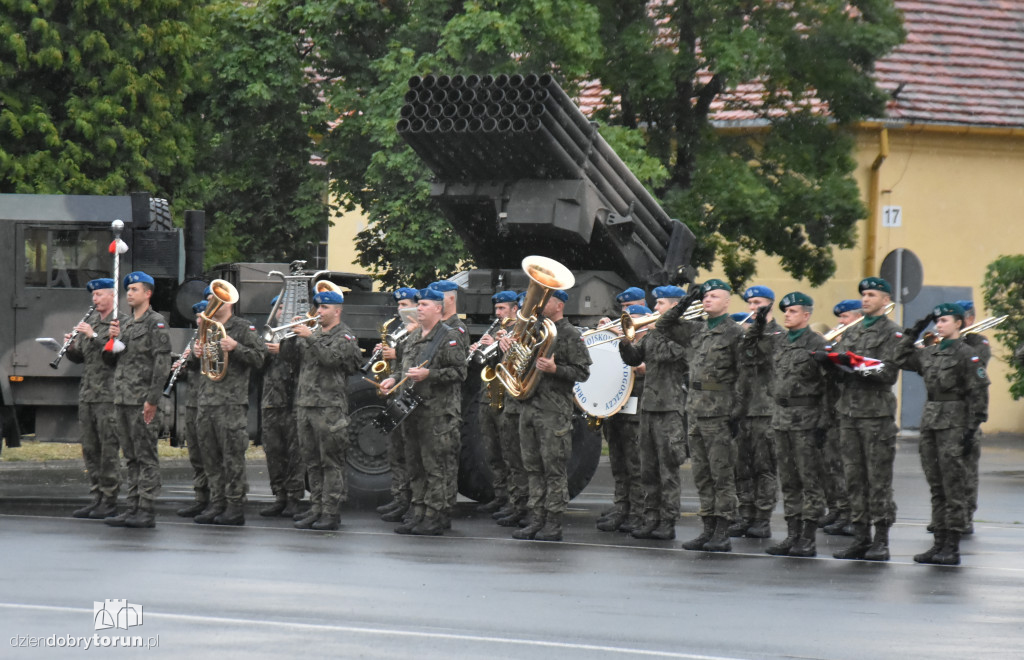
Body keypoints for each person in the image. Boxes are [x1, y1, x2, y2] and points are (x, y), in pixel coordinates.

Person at [895, 303, 989, 565]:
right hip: (931, 421)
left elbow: (979, 392)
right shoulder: (931, 353)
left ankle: (952, 545)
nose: (939, 325)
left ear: (959, 324)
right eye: (937, 321)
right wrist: (913, 332)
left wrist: (972, 428)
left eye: (944, 320)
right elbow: (900, 357)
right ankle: (938, 542)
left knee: (954, 486)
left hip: (955, 424)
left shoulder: (967, 355)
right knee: (937, 486)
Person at [657, 279, 745, 552]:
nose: (708, 300)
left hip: (719, 411)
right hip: (695, 409)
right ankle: (707, 528)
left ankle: (723, 530)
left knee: (721, 474)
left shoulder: (735, 333)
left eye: (715, 296)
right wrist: (683, 303)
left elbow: (744, 375)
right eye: (705, 297)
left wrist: (737, 411)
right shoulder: (696, 329)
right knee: (702, 474)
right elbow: (664, 325)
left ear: (727, 301)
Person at [745, 292, 830, 556]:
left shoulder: (818, 344)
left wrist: (824, 424)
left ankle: (808, 537)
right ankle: (792, 535)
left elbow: (830, 386)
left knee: (809, 480)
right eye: (785, 311)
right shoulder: (779, 341)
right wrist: (759, 322)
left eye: (793, 311)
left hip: (806, 420)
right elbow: (749, 346)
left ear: (807, 315)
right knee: (790, 481)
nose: (787, 315)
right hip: (780, 419)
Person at [825, 277, 903, 561]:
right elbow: (841, 366)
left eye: (871, 295)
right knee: (854, 477)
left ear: (885, 300)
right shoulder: (853, 331)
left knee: (878, 479)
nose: (865, 299)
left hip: (876, 415)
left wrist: (855, 365)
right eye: (863, 295)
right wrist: (830, 363)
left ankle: (881, 539)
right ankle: (860, 537)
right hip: (848, 412)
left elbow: (887, 372)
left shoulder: (892, 333)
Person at [380, 288, 467, 535]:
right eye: (419, 305)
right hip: (412, 410)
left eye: (425, 305)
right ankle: (418, 513)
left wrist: (431, 374)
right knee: (415, 466)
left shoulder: (449, 336)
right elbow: (405, 368)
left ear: (438, 308)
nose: (419, 308)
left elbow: (460, 373)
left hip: (437, 413)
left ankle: (435, 515)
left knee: (435, 467)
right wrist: (392, 379)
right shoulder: (415, 334)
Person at [512, 289, 592, 542]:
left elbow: (582, 372)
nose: (539, 304)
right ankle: (536, 519)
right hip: (529, 406)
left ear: (558, 305)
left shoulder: (569, 334)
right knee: (532, 468)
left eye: (545, 300)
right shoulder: (534, 331)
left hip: (553, 411)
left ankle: (553, 523)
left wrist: (556, 368)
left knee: (553, 469)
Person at [282, 287, 363, 531]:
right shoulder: (312, 333)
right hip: (306, 406)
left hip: (330, 409)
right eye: (318, 306)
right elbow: (288, 358)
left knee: (331, 462)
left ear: (337, 311)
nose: (319, 311)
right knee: (312, 462)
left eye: (325, 307)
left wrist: (310, 337)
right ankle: (315, 507)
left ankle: (331, 512)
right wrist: (290, 335)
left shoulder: (345, 336)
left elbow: (331, 359)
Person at [191, 285, 266, 526]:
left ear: (229, 303)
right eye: (212, 299)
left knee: (232, 457)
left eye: (218, 299)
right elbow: (199, 365)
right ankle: (217, 502)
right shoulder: (205, 325)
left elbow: (260, 358)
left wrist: (236, 348)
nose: (213, 303)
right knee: (210, 457)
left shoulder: (243, 328)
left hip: (231, 402)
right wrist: (197, 352)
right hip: (207, 400)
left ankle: (235, 506)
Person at [103, 271, 171, 528]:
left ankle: (146, 508)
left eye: (134, 289)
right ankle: (132, 506)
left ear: (148, 293)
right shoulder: (127, 325)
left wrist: (152, 400)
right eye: (128, 289)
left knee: (145, 456)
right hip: (122, 399)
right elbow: (109, 360)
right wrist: (111, 339)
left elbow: (162, 364)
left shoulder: (156, 323)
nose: (129, 293)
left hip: (141, 400)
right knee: (130, 456)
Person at [618, 289, 688, 541]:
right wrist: (625, 342)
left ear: (674, 306)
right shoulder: (655, 333)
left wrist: (658, 332)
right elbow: (635, 358)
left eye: (660, 304)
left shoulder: (682, 334)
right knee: (648, 468)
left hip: (669, 408)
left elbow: (671, 355)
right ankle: (651, 517)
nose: (655, 308)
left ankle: (667, 520)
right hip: (648, 407)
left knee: (667, 468)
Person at [65, 278, 128, 520]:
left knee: (108, 449)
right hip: (88, 393)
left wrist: (93, 336)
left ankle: (110, 499)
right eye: (93, 295)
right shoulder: (89, 321)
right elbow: (81, 357)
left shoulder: (119, 323)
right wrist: (69, 347)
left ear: (112, 296)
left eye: (99, 295)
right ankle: (97, 497)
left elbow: (116, 353)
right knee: (90, 448)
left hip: (109, 394)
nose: (95, 299)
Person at [596, 286, 646, 533]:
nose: (626, 316)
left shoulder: (647, 342)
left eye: (631, 312)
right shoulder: (620, 341)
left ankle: (638, 512)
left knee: (635, 466)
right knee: (618, 464)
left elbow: (641, 368)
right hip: (617, 409)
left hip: (637, 414)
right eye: (624, 310)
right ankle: (622, 507)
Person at [730, 285, 779, 539]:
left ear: (770, 304)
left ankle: (762, 518)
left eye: (757, 303)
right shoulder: (745, 334)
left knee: (764, 467)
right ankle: (745, 514)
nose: (752, 308)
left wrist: (757, 329)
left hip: (765, 410)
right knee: (742, 467)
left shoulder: (776, 333)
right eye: (749, 303)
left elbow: (766, 354)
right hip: (743, 410)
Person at [472, 290, 520, 514]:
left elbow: (517, 362)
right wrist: (480, 349)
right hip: (489, 395)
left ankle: (515, 500)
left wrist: (499, 345)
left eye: (502, 309)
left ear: (514, 309)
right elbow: (484, 363)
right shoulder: (497, 330)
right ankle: (500, 495)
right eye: (497, 309)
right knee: (493, 450)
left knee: (510, 451)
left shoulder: (518, 331)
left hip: (508, 396)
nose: (498, 313)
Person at [377, 287, 421, 522]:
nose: (400, 309)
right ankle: (399, 497)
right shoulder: (400, 330)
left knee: (410, 453)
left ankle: (411, 502)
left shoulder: (420, 331)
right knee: (395, 449)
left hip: (410, 397)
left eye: (405, 305)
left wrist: (397, 353)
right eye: (399, 305)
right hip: (396, 394)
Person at [428, 279, 470, 526]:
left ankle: (443, 508)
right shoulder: (437, 327)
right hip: (432, 402)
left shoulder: (456, 329)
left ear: (450, 298)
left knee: (444, 459)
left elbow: (456, 368)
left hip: (446, 403)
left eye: (437, 297)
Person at [260, 296, 305, 518]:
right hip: (271, 402)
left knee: (295, 452)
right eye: (277, 308)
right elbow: (256, 363)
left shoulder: (299, 335)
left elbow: (306, 360)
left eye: (285, 307)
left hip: (293, 401)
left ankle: (295, 498)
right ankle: (280, 496)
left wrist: (284, 350)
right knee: (274, 452)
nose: (281, 312)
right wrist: (266, 351)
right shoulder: (270, 334)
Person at [817, 300, 860, 535]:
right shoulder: (838, 341)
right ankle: (838, 509)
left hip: (853, 411)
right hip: (832, 410)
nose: (840, 322)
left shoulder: (860, 341)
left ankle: (852, 515)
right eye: (840, 318)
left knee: (849, 467)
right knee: (831, 465)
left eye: (845, 317)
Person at [172, 299, 211, 518]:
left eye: (201, 316)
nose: (198, 321)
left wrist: (196, 356)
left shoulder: (212, 337)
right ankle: (201, 497)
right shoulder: (196, 338)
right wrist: (181, 366)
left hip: (208, 402)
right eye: (197, 317)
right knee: (196, 454)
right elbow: (193, 370)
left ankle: (215, 498)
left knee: (210, 455)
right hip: (193, 402)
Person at [955, 299, 989, 534]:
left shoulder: (979, 343)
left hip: (968, 414)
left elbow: (967, 370)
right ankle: (946, 515)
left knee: (966, 468)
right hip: (945, 414)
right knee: (945, 468)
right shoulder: (946, 342)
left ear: (968, 320)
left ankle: (965, 515)